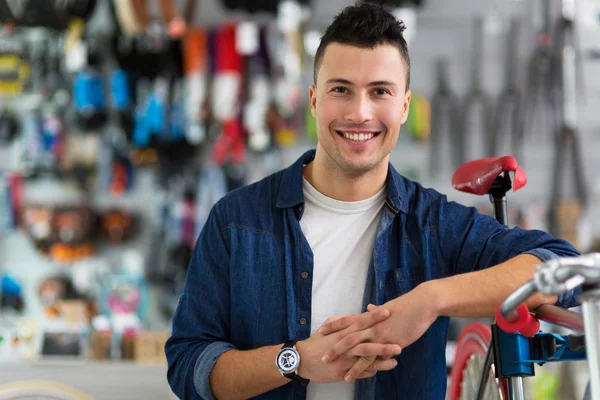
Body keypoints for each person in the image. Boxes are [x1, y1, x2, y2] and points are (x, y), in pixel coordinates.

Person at [165, 4, 580, 399]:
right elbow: (189, 365)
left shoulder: (435, 225)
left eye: (379, 91)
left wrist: (431, 299)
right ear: (314, 100)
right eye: (341, 89)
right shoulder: (236, 221)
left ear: (404, 107)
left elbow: (561, 270)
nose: (360, 113)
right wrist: (295, 360)